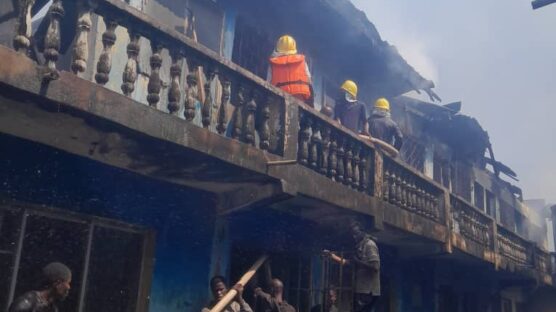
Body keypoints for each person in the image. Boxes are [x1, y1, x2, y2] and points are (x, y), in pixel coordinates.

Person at [323, 221, 380, 312]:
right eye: (353, 234)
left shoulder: (370, 245)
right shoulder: (359, 246)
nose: (354, 237)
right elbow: (351, 264)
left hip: (368, 290)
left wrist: (358, 262)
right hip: (360, 289)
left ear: (362, 232)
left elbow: (375, 267)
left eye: (356, 234)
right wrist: (332, 256)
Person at [268, 35, 314, 106]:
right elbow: (309, 81)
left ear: (278, 48)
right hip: (299, 99)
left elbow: (268, 83)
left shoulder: (273, 64)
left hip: (279, 98)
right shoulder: (302, 61)